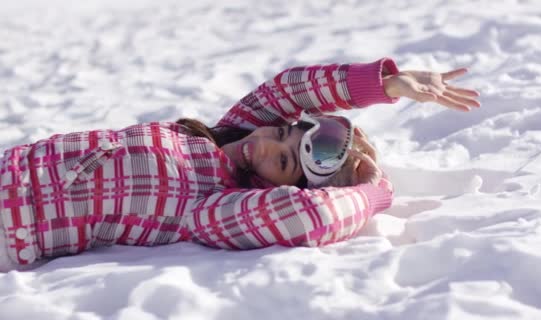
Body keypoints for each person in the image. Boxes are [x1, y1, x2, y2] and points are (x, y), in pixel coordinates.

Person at [0, 57, 480, 271]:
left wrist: (373, 194)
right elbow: (291, 88)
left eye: (285, 161)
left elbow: (305, 217)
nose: (267, 143)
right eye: (283, 131)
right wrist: (389, 85)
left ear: (281, 185)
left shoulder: (213, 206)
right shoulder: (228, 131)